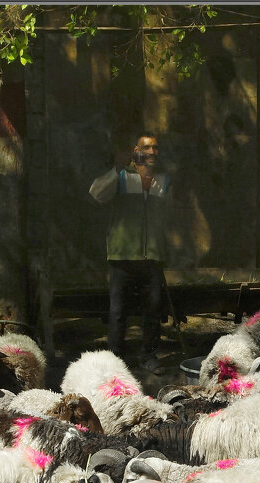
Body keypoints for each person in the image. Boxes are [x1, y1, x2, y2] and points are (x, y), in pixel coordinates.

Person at [89, 132, 171, 373]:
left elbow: (170, 217)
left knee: (154, 310)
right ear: (136, 150)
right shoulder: (122, 175)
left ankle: (149, 357)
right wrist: (117, 168)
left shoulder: (163, 180)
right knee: (117, 311)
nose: (152, 152)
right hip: (122, 255)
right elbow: (95, 193)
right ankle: (115, 361)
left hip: (152, 256)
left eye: (156, 148)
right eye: (147, 148)